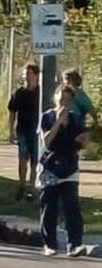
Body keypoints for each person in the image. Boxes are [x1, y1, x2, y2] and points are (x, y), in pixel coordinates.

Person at [39, 85, 88, 257]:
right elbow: (46, 142)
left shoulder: (75, 118)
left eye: (67, 100)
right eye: (61, 99)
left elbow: (82, 141)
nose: (64, 103)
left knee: (71, 205)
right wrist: (58, 122)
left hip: (69, 166)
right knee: (49, 206)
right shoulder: (47, 116)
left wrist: (82, 140)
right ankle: (49, 244)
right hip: (51, 167)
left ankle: (74, 243)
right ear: (55, 98)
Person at [7, 63, 42, 199]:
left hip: (36, 131)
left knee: (35, 159)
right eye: (25, 74)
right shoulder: (19, 93)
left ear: (36, 76)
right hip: (22, 129)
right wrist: (11, 130)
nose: (27, 77)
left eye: (30, 74)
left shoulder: (41, 91)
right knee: (22, 158)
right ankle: (21, 184)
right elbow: (12, 112)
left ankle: (32, 185)